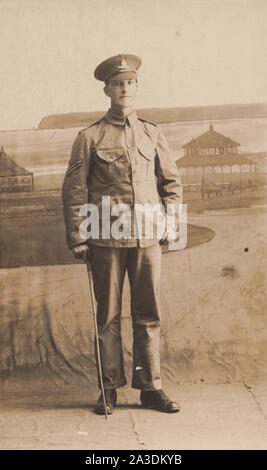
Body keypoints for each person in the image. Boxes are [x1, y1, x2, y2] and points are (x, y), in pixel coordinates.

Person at [62, 54, 183, 415]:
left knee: (149, 312)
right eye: (118, 84)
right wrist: (79, 237)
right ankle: (109, 388)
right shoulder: (89, 136)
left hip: (148, 236)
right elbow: (74, 190)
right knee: (108, 315)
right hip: (105, 236)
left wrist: (171, 225)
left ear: (136, 87)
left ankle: (150, 388)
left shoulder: (152, 132)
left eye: (129, 83)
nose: (124, 89)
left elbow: (172, 183)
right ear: (107, 90)